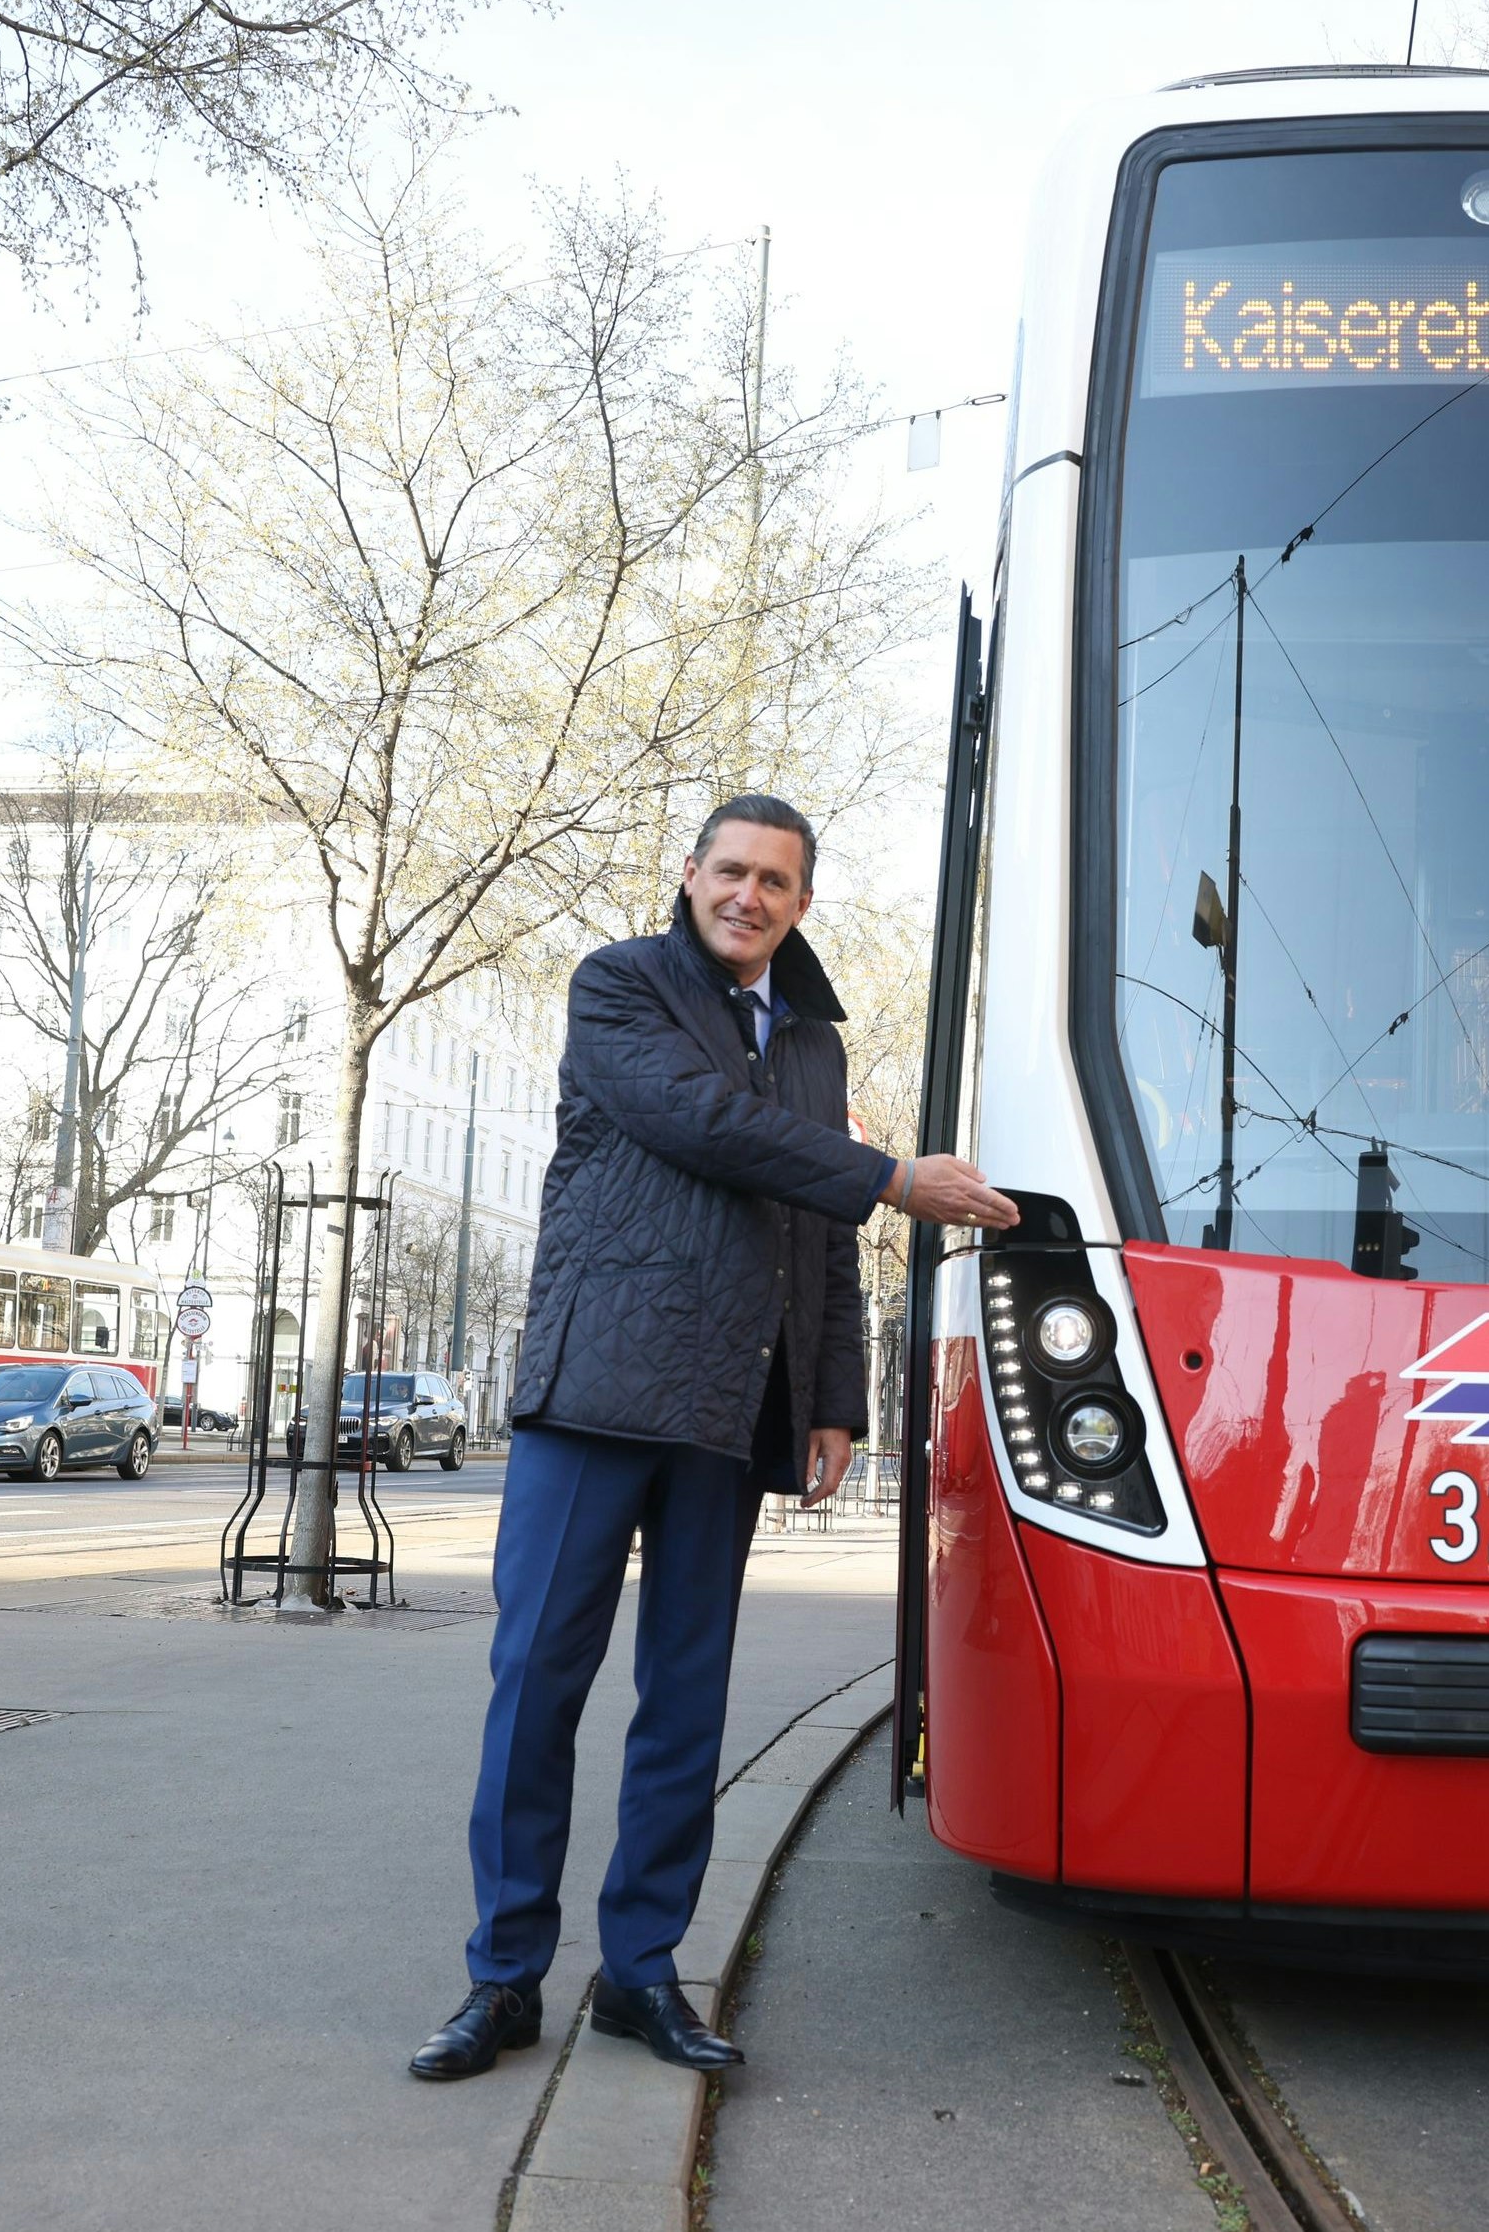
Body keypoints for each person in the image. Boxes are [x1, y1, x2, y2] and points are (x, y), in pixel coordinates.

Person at [411, 794, 1017, 2081]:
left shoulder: (812, 1045)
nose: (749, 896)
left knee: (684, 1703)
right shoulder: (620, 987)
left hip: (728, 1412)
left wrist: (838, 1399)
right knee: (538, 1691)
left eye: (776, 882)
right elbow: (702, 1125)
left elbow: (820, 1234)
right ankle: (503, 1977)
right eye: (730, 872)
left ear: (802, 902)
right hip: (597, 1393)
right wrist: (895, 1176)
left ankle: (641, 1973)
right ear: (689, 876)